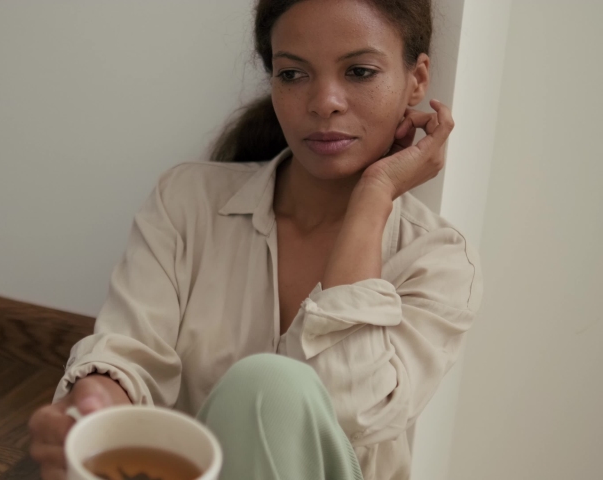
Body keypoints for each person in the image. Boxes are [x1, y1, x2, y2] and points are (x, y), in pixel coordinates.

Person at [28, 0, 482, 479]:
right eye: (293, 74)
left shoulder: (439, 261)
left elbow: (350, 408)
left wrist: (372, 201)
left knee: (269, 384)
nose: (325, 102)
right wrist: (95, 402)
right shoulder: (186, 201)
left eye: (360, 72)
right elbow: (128, 351)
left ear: (417, 79)